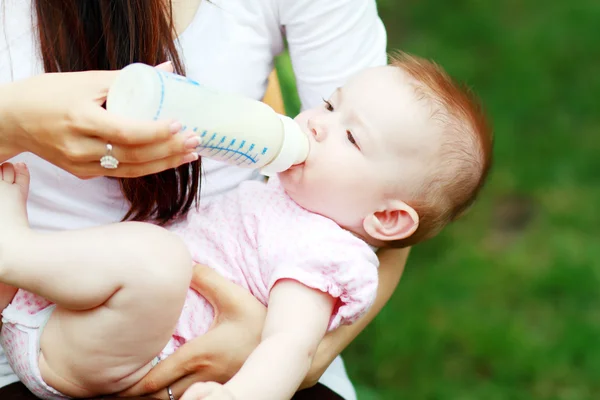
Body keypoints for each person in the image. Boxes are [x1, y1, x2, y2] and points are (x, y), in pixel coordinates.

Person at [0, 53, 493, 400]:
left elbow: (288, 346)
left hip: (120, 361)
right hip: (82, 323)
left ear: (386, 217)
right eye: (328, 105)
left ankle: (16, 252)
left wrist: (238, 395)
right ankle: (22, 273)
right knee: (152, 254)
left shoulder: (324, 256)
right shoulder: (286, 192)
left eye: (350, 137)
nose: (316, 123)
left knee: (160, 258)